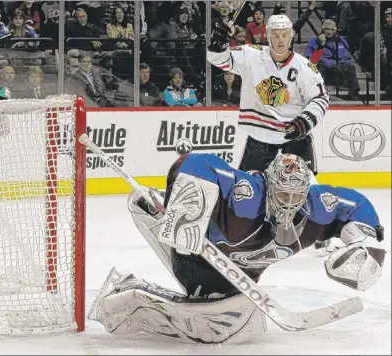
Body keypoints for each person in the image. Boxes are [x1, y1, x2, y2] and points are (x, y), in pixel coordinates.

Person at [88, 153, 385, 344]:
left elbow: (356, 204)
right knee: (216, 322)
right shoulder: (249, 193)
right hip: (195, 256)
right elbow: (195, 163)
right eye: (282, 192)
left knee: (233, 321)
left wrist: (364, 241)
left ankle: (153, 218)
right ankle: (128, 292)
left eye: (297, 195)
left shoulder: (317, 208)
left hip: (240, 276)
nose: (289, 202)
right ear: (269, 184)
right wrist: (188, 210)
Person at [206, 14, 329, 179]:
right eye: (276, 35)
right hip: (259, 137)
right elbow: (219, 59)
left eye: (285, 35)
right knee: (246, 190)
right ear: (268, 36)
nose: (280, 40)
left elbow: (320, 98)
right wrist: (219, 42)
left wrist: (305, 121)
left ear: (290, 37)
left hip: (295, 138)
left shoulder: (304, 67)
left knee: (307, 192)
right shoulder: (251, 55)